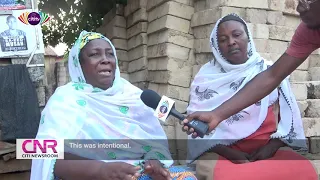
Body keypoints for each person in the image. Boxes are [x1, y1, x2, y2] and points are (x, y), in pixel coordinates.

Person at [30, 31, 198, 180]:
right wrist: (101, 171)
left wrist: (153, 161)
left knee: (187, 177)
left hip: (138, 173)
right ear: (79, 65)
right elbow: (46, 154)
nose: (105, 60)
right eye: (95, 54)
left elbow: (154, 142)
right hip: (88, 175)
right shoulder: (65, 99)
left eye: (110, 54)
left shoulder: (132, 95)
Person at [185, 14, 318, 180]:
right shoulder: (205, 80)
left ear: (248, 37)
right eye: (223, 39)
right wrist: (229, 152)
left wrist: (271, 147)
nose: (231, 42)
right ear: (216, 46)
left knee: (303, 171)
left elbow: (288, 122)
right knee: (226, 176)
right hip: (220, 151)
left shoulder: (268, 70)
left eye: (237, 35)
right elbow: (198, 130)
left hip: (266, 149)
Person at [183, 0, 320, 138]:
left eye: (308, 0)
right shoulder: (308, 32)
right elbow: (273, 76)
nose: (300, 8)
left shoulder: (261, 66)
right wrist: (216, 115)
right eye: (299, 0)